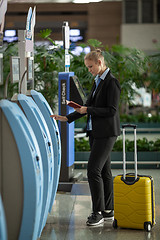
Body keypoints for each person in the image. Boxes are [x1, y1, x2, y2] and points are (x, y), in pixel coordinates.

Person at [51, 49, 121, 226]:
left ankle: (97, 212)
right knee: (104, 171)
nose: (89, 70)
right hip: (95, 132)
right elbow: (87, 106)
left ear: (99, 63)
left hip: (106, 133)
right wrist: (66, 118)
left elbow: (111, 110)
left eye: (90, 66)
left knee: (93, 170)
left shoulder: (111, 82)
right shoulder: (97, 81)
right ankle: (108, 210)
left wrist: (87, 110)